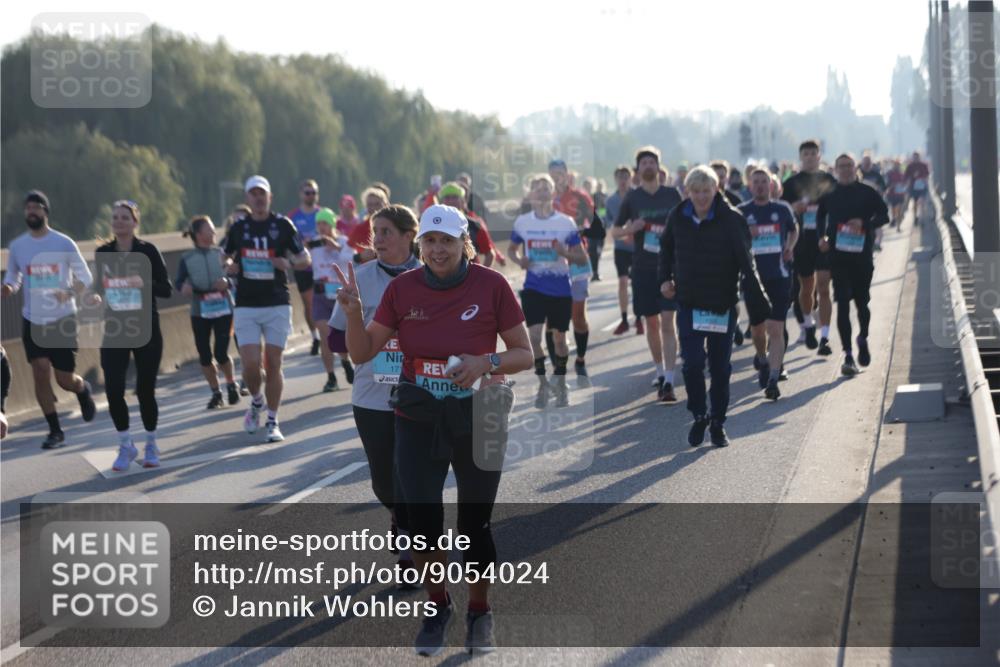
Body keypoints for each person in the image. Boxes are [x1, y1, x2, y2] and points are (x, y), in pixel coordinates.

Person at [335, 203, 533, 656]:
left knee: (475, 525)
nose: (438, 250)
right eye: (430, 241)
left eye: (447, 241)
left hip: (479, 414)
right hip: (418, 416)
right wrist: (353, 314)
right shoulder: (403, 289)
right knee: (422, 523)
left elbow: (524, 354)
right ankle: (439, 604)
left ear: (464, 244)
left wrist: (487, 362)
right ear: (420, 244)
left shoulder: (492, 285)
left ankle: (479, 612)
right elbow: (362, 353)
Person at [328, 204, 422, 584]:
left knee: (414, 474)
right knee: (384, 481)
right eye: (375, 232)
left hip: (422, 392)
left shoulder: (431, 276)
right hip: (371, 395)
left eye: (386, 232)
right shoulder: (360, 278)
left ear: (408, 236)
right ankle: (400, 516)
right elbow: (335, 341)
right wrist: (363, 323)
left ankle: (411, 547)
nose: (378, 239)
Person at [659, 166, 770, 447]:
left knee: (720, 369)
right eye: (695, 192)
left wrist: (758, 299)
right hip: (689, 302)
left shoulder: (732, 219)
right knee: (692, 364)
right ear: (688, 192)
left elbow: (747, 261)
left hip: (722, 305)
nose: (701, 197)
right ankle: (699, 415)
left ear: (716, 189)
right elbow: (666, 250)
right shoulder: (678, 216)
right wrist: (664, 279)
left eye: (706, 191)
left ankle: (718, 423)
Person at [1, 190, 97, 449]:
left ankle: (82, 389)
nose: (31, 211)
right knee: (40, 371)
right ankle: (55, 431)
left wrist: (69, 292)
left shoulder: (63, 243)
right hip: (33, 319)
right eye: (28, 208)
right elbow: (13, 277)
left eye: (36, 207)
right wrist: (8, 287)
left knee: (64, 379)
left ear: (45, 211)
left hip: (62, 318)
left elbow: (85, 277)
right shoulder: (18, 246)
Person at [224, 175, 310, 443]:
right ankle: (257, 400)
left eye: (262, 194)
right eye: (254, 194)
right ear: (247, 198)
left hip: (277, 302)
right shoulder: (239, 228)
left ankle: (273, 420)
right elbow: (224, 255)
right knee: (250, 365)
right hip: (246, 304)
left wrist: (289, 263)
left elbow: (304, 258)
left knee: (273, 363)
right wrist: (229, 266)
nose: (258, 198)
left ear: (270, 197)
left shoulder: (282, 225)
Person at [92, 200, 173, 470]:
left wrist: (144, 282)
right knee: (114, 390)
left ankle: (150, 443)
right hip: (115, 328)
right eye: (115, 217)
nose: (119, 221)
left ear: (135, 222)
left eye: (125, 217)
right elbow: (98, 287)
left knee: (144, 391)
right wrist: (93, 296)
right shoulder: (103, 252)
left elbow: (166, 289)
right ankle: (126, 444)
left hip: (145, 328)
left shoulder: (147, 251)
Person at [508, 175, 589, 407]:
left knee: (560, 340)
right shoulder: (523, 222)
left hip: (560, 288)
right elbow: (512, 250)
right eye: (538, 189)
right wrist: (520, 260)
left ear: (553, 193)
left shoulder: (565, 223)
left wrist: (565, 253)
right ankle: (543, 384)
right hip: (533, 287)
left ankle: (561, 383)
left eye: (546, 189)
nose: (542, 193)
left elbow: (582, 257)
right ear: (531, 195)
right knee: (533, 337)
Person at [612, 146, 683, 402]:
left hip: (669, 267)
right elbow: (614, 231)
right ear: (638, 169)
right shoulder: (632, 198)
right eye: (644, 163)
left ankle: (669, 380)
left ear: (658, 167)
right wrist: (631, 228)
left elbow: (685, 223)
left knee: (668, 322)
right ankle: (659, 370)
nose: (649, 166)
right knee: (652, 323)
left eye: (652, 162)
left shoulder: (672, 194)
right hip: (642, 267)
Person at [817, 153, 890, 376]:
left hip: (862, 256)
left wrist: (864, 223)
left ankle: (863, 338)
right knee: (842, 303)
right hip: (838, 257)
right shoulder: (829, 193)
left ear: (854, 167)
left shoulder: (867, 192)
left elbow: (884, 216)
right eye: (841, 166)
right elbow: (819, 217)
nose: (846, 169)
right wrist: (821, 238)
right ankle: (848, 355)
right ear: (836, 169)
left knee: (862, 303)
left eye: (849, 165)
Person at [738, 168, 799, 399]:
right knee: (757, 329)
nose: (761, 185)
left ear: (771, 185)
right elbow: (732, 240)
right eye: (756, 182)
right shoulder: (741, 212)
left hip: (779, 276)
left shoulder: (782, 209)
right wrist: (747, 233)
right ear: (750, 186)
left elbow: (794, 230)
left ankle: (774, 377)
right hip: (753, 279)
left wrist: (789, 247)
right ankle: (762, 359)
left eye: (764, 181)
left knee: (775, 327)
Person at [177, 215, 240, 409]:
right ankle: (216, 392)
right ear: (198, 234)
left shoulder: (221, 254)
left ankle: (231, 384)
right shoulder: (187, 258)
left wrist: (227, 282)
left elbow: (236, 275)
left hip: (224, 308)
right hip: (200, 310)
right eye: (209, 230)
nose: (214, 233)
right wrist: (183, 287)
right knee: (204, 355)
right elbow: (179, 281)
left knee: (220, 352)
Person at [781, 139, 837, 355]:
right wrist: (794, 207)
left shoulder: (829, 180)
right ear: (800, 157)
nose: (810, 157)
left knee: (823, 287)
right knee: (806, 288)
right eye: (806, 154)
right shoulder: (791, 183)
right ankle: (807, 324)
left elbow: (838, 207)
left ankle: (825, 337)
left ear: (819, 156)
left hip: (823, 241)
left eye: (814, 153)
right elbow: (780, 209)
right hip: (801, 241)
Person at [549, 159, 597, 380]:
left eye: (559, 172)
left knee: (577, 316)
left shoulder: (579, 196)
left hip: (577, 259)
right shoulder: (544, 198)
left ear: (567, 173)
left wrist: (579, 231)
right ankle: (558, 368)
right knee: (554, 318)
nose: (556, 176)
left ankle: (581, 359)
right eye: (553, 173)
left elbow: (594, 223)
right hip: (552, 262)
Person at [308, 208, 354, 392]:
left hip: (340, 295)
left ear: (332, 224)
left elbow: (352, 259)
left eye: (325, 223)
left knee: (338, 335)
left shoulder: (343, 241)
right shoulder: (313, 243)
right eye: (319, 224)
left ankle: (345, 361)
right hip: (320, 294)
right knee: (325, 336)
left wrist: (336, 247)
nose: (322, 227)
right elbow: (301, 257)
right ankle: (331, 377)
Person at [287, 180, 324, 356]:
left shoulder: (322, 214)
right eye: (307, 192)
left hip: (322, 266)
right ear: (301, 194)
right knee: (309, 304)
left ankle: (327, 335)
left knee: (326, 302)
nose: (311, 196)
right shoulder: (293, 216)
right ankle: (315, 337)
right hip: (303, 267)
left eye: (313, 192)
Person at [607, 165, 643, 335]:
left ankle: (638, 318)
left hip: (638, 247)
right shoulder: (610, 201)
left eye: (625, 177)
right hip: (621, 247)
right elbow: (610, 226)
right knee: (622, 282)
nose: (623, 181)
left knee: (637, 283)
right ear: (615, 179)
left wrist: (633, 233)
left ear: (631, 178)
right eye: (620, 177)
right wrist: (623, 234)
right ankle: (624, 320)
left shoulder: (638, 196)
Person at [439, 182, 497, 267]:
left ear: (462, 201)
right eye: (447, 197)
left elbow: (490, 254)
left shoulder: (474, 225)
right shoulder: (433, 225)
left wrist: (480, 274)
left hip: (470, 272)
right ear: (441, 202)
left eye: (455, 197)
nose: (451, 201)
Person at [348, 186, 390, 264]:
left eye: (377, 204)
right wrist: (360, 256)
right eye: (370, 205)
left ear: (386, 204)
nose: (374, 208)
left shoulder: (394, 227)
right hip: (366, 269)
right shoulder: (360, 228)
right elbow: (345, 255)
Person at [858, 152, 888, 251]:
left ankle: (877, 243)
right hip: (861, 204)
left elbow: (884, 188)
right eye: (865, 162)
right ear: (862, 163)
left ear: (871, 163)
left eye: (868, 162)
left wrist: (878, 192)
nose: (866, 164)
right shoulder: (858, 174)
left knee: (878, 225)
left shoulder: (876, 175)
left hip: (874, 203)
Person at [904, 150, 930, 221]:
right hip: (913, 187)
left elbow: (927, 175)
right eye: (914, 157)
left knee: (922, 201)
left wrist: (925, 180)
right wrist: (911, 178)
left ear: (919, 157)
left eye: (917, 157)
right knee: (915, 202)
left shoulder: (924, 165)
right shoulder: (910, 166)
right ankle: (915, 216)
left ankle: (922, 216)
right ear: (913, 158)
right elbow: (906, 176)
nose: (916, 159)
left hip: (922, 186)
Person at [885, 159, 908, 229]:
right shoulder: (889, 174)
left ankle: (898, 226)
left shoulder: (902, 174)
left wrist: (903, 185)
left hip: (900, 194)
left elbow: (905, 183)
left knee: (900, 210)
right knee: (893, 208)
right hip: (892, 194)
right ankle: (894, 219)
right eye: (895, 165)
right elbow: (886, 183)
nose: (897, 166)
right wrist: (892, 185)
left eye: (898, 165)